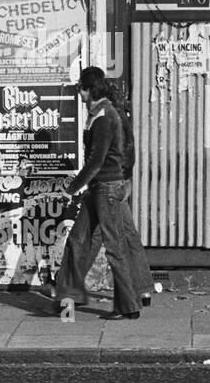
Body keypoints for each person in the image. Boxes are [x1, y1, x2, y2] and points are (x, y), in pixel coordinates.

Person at [53, 67, 144, 319]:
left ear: (89, 89)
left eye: (81, 89)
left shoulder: (105, 116)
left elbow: (96, 161)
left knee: (114, 246)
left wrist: (71, 189)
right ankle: (67, 299)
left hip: (106, 188)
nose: (79, 94)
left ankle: (129, 306)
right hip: (97, 189)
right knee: (76, 241)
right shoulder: (96, 114)